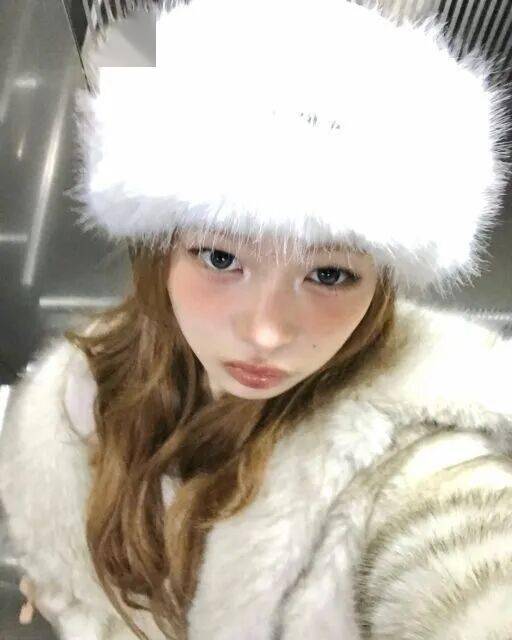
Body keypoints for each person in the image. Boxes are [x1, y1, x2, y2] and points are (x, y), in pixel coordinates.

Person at [1, 0, 512, 638]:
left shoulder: (415, 455)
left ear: (380, 283)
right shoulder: (79, 397)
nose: (267, 332)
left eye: (330, 275)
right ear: (160, 253)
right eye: (221, 258)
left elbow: (468, 566)